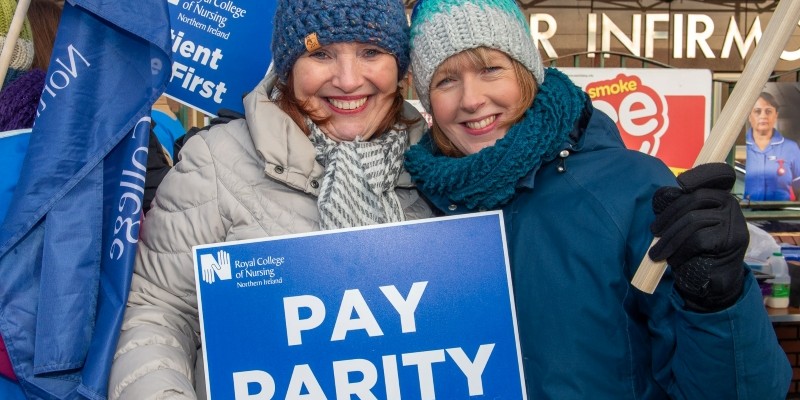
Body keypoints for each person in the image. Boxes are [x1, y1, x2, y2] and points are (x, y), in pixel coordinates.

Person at [404, 0, 790, 398]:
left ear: (527, 72)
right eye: (446, 80)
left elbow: (741, 392)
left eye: (490, 68)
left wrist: (717, 300)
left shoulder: (633, 187)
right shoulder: (415, 203)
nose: (471, 99)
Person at [108, 0, 432, 398]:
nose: (348, 80)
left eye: (371, 52)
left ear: (399, 69)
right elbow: (156, 312)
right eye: (321, 54)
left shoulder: (436, 165)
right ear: (288, 67)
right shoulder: (218, 161)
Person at [744, 91, 800, 201]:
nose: (763, 116)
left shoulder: (791, 148)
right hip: (747, 216)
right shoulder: (741, 147)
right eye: (757, 111)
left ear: (776, 116)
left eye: (768, 111)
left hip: (782, 215)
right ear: (749, 116)